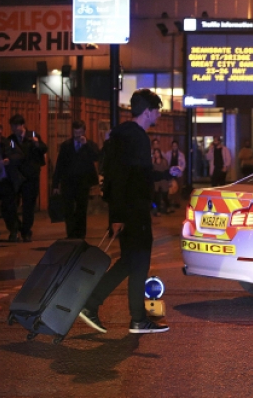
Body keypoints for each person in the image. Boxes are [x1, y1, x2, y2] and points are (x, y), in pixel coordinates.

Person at [79, 88, 169, 334]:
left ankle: (122, 314)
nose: (158, 116)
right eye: (157, 111)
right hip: (134, 211)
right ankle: (128, 316)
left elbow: (115, 176)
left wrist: (116, 214)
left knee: (131, 262)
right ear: (148, 112)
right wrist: (164, 174)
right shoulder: (137, 138)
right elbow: (132, 177)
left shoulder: (119, 136)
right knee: (137, 261)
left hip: (125, 210)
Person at [52, 120, 100, 239]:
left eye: (80, 132)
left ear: (84, 131)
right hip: (68, 181)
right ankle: (71, 233)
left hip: (83, 182)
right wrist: (55, 184)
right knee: (68, 209)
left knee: (81, 208)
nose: (77, 135)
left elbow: (97, 157)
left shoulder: (90, 144)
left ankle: (81, 234)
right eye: (75, 132)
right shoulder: (66, 145)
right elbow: (60, 165)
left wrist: (86, 145)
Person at [7, 114, 48, 242]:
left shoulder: (33, 135)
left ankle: (26, 231)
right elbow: (9, 151)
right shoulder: (11, 139)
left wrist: (37, 144)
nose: (14, 129)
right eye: (12, 126)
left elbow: (44, 148)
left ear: (22, 125)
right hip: (16, 176)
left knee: (28, 206)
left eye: (16, 126)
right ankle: (16, 228)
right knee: (11, 205)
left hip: (31, 176)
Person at [0, 120, 17, 247]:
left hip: (6, 181)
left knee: (8, 208)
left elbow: (17, 155)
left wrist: (9, 160)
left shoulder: (8, 142)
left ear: (0, 130)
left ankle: (13, 231)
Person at [164, 140, 186, 207]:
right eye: (173, 146)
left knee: (178, 188)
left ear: (177, 146)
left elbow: (184, 164)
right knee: (171, 188)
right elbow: (166, 163)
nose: (174, 147)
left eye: (175, 146)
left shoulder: (181, 154)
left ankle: (177, 202)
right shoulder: (168, 153)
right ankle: (170, 202)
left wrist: (180, 170)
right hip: (170, 173)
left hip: (178, 173)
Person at [151, 148, 171, 215]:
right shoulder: (153, 161)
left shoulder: (164, 161)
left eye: (157, 153)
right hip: (156, 181)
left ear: (160, 153)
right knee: (157, 197)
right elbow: (151, 171)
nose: (156, 154)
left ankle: (167, 207)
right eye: (155, 153)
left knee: (165, 196)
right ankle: (158, 210)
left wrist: (169, 180)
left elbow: (167, 171)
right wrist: (152, 163)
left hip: (163, 180)